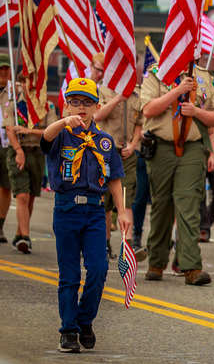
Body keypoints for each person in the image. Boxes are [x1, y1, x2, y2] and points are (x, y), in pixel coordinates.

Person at [40, 78, 129, 353]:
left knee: (99, 269)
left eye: (87, 102)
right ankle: (67, 331)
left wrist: (122, 210)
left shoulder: (104, 141)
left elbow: (114, 177)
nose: (81, 107)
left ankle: (84, 319)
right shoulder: (62, 134)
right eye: (75, 102)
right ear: (67, 105)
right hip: (66, 208)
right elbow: (45, 137)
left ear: (97, 107)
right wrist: (64, 122)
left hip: (94, 211)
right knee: (69, 274)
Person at [140, 63, 214, 285]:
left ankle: (191, 266)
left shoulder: (204, 75)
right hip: (161, 148)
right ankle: (156, 262)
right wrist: (176, 92)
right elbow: (148, 110)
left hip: (193, 149)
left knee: (188, 205)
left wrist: (196, 111)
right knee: (161, 205)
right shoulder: (156, 73)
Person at [4, 73, 58, 252]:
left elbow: (52, 131)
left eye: (36, 82)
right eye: (27, 81)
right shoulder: (13, 104)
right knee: (22, 195)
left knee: (32, 195)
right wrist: (18, 151)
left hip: (38, 153)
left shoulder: (46, 106)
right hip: (19, 151)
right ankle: (25, 238)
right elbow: (10, 129)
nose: (31, 85)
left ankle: (20, 233)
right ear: (21, 83)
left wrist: (28, 130)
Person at [94, 79, 146, 262]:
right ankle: (105, 244)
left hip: (126, 155)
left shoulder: (137, 94)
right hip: (104, 152)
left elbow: (139, 122)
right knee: (105, 201)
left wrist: (133, 144)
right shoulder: (103, 90)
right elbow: (97, 116)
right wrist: (118, 98)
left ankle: (128, 246)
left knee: (126, 198)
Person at [0, 54, 13, 243]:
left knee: (5, 187)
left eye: (6, 69)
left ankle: (0, 227)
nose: (3, 72)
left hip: (6, 144)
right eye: (0, 69)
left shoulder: (14, 92)